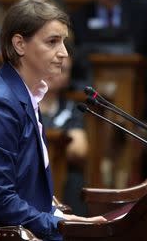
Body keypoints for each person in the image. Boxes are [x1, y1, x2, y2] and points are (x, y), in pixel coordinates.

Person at [0, 0, 105, 241]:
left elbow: (25, 189)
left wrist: (60, 217)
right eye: (52, 42)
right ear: (20, 44)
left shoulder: (23, 94)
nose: (63, 53)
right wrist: (58, 226)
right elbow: (1, 199)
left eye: (63, 42)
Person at [40, 53, 88, 215]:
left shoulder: (71, 108)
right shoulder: (25, 103)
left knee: (75, 181)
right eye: (51, 65)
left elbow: (79, 149)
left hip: (60, 172)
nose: (55, 72)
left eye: (63, 69)